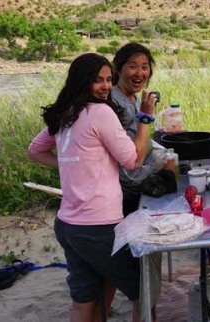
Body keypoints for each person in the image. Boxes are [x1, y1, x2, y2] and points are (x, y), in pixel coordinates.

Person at [28, 53, 158, 322]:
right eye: (97, 80)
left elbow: (36, 151)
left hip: (67, 225)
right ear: (82, 81)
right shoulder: (100, 112)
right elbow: (133, 159)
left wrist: (70, 164)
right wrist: (145, 118)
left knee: (85, 300)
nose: (105, 86)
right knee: (144, 292)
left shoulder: (66, 113)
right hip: (98, 227)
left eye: (109, 80)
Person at [111, 42, 171, 321]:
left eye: (145, 67)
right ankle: (146, 311)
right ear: (118, 68)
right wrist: (157, 167)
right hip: (126, 193)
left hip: (133, 186)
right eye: (133, 66)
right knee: (140, 268)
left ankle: (149, 310)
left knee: (139, 267)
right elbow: (129, 165)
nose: (140, 72)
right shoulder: (116, 102)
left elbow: (140, 142)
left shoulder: (132, 98)